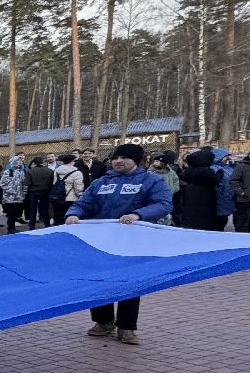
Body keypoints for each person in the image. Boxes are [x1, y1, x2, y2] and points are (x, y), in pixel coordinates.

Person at [65, 143, 173, 345]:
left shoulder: (151, 181)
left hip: (134, 242)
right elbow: (84, 203)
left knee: (130, 282)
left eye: (124, 158)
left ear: (137, 161)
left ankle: (127, 327)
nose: (118, 161)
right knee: (100, 280)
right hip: (102, 241)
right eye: (115, 158)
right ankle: (103, 321)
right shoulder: (101, 182)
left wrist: (138, 215)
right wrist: (73, 214)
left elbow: (164, 204)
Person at [176, 149, 220, 231]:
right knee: (205, 214)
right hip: (206, 193)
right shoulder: (207, 171)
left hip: (190, 192)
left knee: (192, 212)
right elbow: (213, 181)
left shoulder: (189, 170)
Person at [232, 140, 250, 233]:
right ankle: (242, 240)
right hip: (245, 199)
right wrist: (241, 192)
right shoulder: (242, 166)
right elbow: (233, 181)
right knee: (243, 221)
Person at [50, 152, 87, 226]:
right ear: (72, 161)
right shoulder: (77, 172)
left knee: (58, 217)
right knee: (68, 218)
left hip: (57, 197)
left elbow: (54, 183)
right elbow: (78, 188)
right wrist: (80, 195)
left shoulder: (57, 170)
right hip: (70, 198)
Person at [0, 156, 29, 233]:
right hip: (9, 198)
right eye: (18, 161)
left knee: (16, 213)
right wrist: (12, 191)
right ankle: (10, 228)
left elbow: (24, 184)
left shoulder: (22, 172)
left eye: (21, 161)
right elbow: (3, 184)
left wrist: (23, 193)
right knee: (11, 214)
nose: (20, 162)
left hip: (19, 198)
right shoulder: (8, 172)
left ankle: (13, 227)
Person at [25, 156, 54, 230]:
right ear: (42, 162)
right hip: (45, 192)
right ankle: (47, 225)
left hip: (33, 192)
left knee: (33, 210)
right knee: (45, 209)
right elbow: (51, 183)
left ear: (34, 163)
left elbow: (27, 183)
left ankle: (31, 226)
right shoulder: (49, 171)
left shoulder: (30, 171)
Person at [213, 148, 236, 231]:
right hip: (220, 197)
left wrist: (233, 164)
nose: (228, 158)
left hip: (227, 197)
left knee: (223, 219)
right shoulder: (214, 168)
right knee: (219, 221)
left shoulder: (228, 168)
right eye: (226, 156)